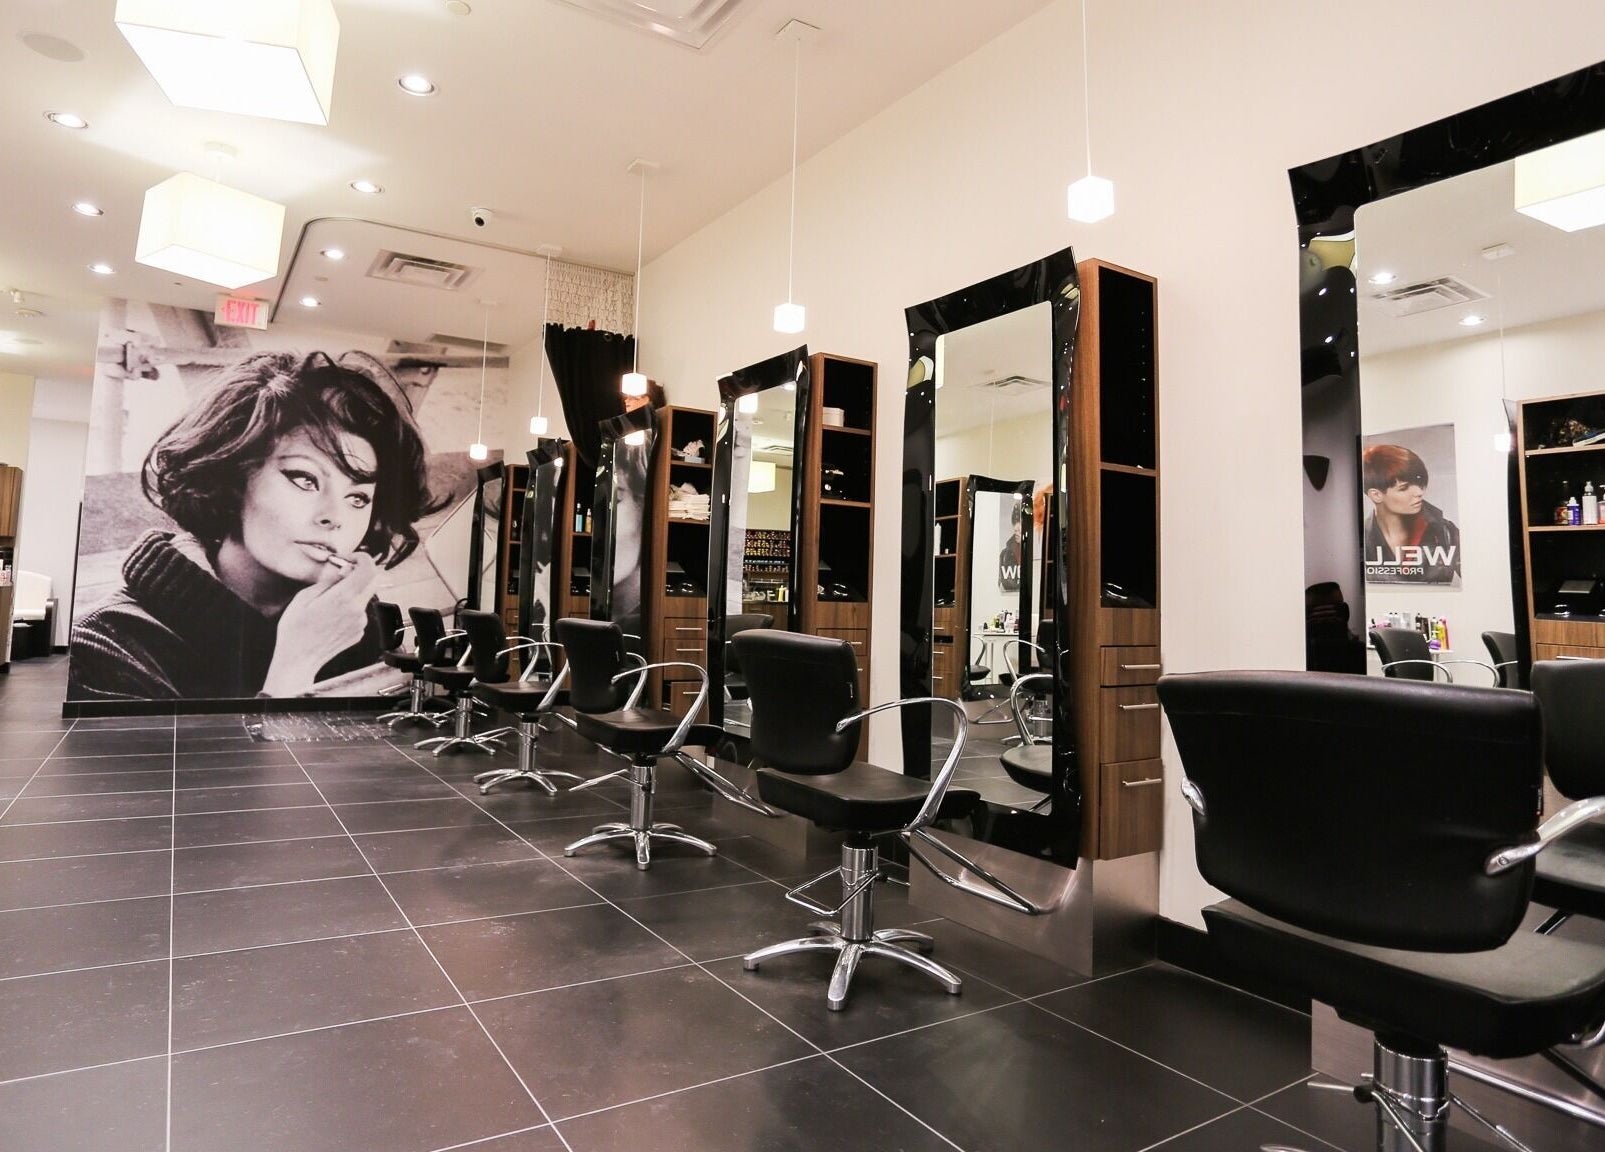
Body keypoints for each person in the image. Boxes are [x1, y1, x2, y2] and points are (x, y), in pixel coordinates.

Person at [69, 351, 438, 700]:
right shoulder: (105, 644)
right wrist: (298, 662)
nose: (335, 518)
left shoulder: (351, 622)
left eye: (358, 498)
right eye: (305, 479)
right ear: (231, 479)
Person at [1361, 443, 1461, 584]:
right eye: (1404, 488)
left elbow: (1479, 578)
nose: (1419, 492)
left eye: (1419, 483)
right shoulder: (1361, 539)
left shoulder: (1446, 532)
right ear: (1376, 495)